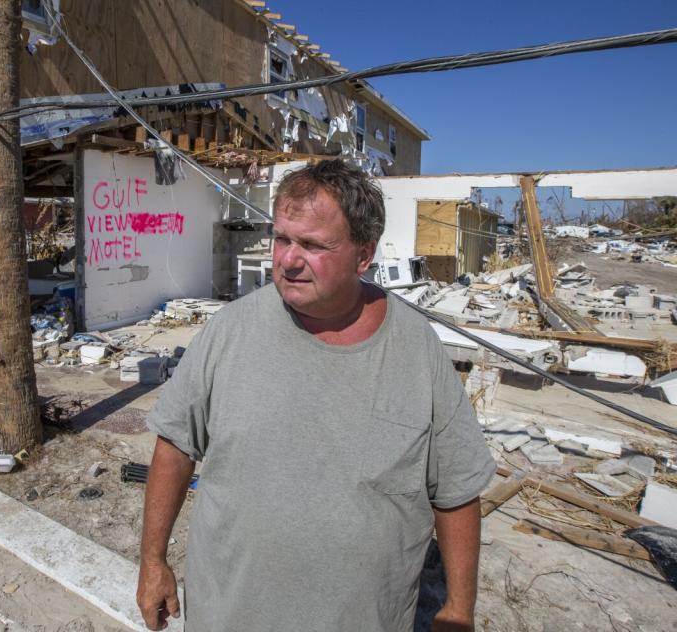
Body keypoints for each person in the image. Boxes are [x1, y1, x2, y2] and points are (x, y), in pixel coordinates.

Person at [137, 159, 496, 632]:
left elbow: (455, 490)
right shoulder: (229, 331)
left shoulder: (415, 348)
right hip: (229, 614)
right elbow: (176, 447)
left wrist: (457, 610)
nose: (287, 258)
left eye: (312, 244)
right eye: (283, 238)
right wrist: (153, 561)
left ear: (363, 255)